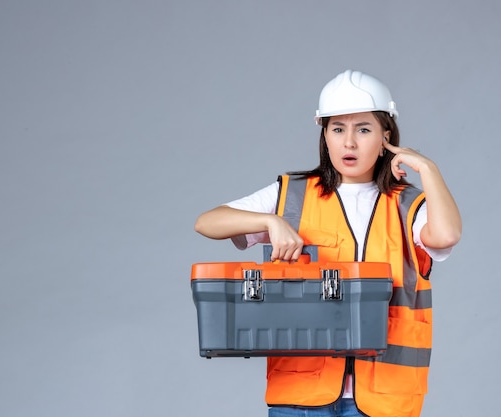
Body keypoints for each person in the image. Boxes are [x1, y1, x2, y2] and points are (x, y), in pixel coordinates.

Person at [194, 69, 462, 417]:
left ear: (386, 137)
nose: (349, 142)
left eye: (363, 129)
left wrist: (428, 168)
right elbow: (207, 222)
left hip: (384, 398)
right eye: (337, 129)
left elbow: (447, 235)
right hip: (302, 395)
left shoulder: (409, 204)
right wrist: (269, 221)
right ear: (325, 135)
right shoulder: (291, 196)